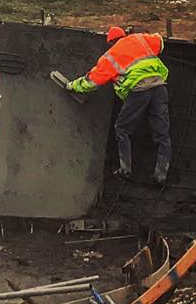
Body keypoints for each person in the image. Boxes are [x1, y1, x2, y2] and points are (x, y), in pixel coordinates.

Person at [67, 26, 170, 185]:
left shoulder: (111, 56)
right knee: (162, 133)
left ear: (111, 42)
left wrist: (72, 86)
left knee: (122, 128)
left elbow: (92, 81)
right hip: (159, 88)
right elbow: (160, 42)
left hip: (139, 90)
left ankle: (125, 169)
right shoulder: (140, 39)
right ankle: (161, 175)